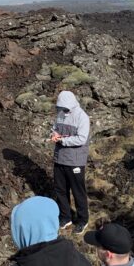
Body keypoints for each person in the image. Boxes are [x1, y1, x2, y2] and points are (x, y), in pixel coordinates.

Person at [51, 90, 91, 233]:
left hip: (75, 161)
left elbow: (81, 138)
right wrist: (54, 134)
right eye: (60, 106)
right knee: (60, 190)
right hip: (60, 158)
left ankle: (82, 220)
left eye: (64, 106)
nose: (62, 108)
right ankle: (65, 217)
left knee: (78, 192)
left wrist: (63, 140)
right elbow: (55, 128)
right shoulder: (60, 114)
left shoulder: (82, 117)